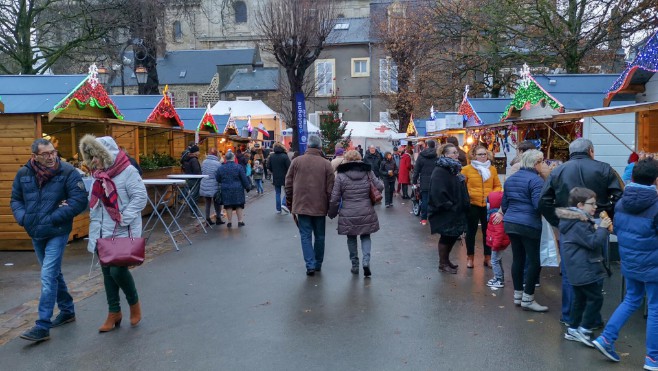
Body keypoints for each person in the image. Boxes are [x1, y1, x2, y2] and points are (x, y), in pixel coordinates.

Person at [539, 138, 624, 325]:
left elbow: (543, 200)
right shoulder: (604, 168)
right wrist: (608, 216)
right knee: (595, 267)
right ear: (591, 151)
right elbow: (619, 195)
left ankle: (570, 316)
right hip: (596, 220)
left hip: (568, 221)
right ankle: (590, 318)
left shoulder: (558, 171)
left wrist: (557, 220)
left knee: (571, 270)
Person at [11, 139, 88, 342]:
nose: (51, 156)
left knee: (47, 275)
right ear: (35, 156)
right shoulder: (24, 174)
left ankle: (42, 325)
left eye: (53, 152)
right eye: (45, 154)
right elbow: (16, 199)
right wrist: (23, 218)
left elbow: (79, 200)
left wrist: (55, 217)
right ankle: (67, 310)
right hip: (35, 230)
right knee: (53, 273)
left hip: (58, 230)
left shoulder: (67, 172)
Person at [592, 158, 658, 370]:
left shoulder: (621, 202)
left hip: (630, 260)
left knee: (632, 299)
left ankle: (607, 338)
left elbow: (618, 230)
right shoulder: (655, 204)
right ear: (655, 180)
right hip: (654, 263)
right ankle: (653, 358)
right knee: (655, 308)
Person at [79, 135, 147, 332]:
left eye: (95, 157)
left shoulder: (127, 171)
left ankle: (134, 305)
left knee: (117, 270)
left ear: (106, 155)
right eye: (90, 157)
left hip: (122, 228)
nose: (92, 161)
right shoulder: (98, 176)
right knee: (107, 271)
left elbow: (140, 197)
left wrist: (123, 217)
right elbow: (96, 204)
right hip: (102, 229)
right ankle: (114, 312)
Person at [556, 187, 611, 347]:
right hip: (583, 267)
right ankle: (584, 329)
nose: (595, 207)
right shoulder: (578, 222)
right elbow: (592, 242)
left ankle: (573, 329)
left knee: (580, 299)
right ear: (580, 205)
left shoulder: (575, 219)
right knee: (595, 298)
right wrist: (602, 229)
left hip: (576, 267)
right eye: (592, 204)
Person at [501, 149, 547, 311]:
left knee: (518, 259)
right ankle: (528, 298)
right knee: (534, 260)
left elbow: (504, 205)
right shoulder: (536, 181)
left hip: (511, 222)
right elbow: (537, 205)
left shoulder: (511, 179)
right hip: (529, 224)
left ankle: (518, 295)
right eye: (542, 162)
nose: (544, 165)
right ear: (536, 163)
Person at [328, 150, 384, 277]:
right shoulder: (368, 172)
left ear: (346, 159)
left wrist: (332, 213)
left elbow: (335, 197)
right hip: (366, 209)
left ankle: (355, 265)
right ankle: (366, 261)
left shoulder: (341, 175)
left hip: (348, 212)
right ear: (359, 159)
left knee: (351, 237)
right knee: (365, 236)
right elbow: (380, 186)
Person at [285, 135, 335, 276]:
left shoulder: (296, 161)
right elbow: (330, 187)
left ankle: (310, 265)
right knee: (320, 236)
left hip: (301, 204)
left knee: (305, 235)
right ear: (320, 147)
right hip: (320, 205)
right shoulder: (326, 164)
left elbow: (288, 183)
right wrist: (330, 205)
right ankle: (318, 263)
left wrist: (290, 199)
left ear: (308, 146)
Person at [428, 143, 470, 274]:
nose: (456, 155)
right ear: (445, 154)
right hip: (445, 211)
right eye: (453, 152)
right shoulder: (440, 170)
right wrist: (449, 205)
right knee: (446, 237)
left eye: (456, 152)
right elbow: (437, 191)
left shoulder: (454, 169)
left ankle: (446, 261)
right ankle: (442, 263)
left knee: (452, 236)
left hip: (456, 210)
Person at [462, 145, 502, 268]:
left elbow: (497, 185)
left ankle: (487, 257)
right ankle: (470, 257)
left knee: (488, 232)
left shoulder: (492, 169)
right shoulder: (466, 169)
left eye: (484, 154)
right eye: (480, 154)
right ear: (474, 155)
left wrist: (493, 195)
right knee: (471, 232)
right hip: (472, 204)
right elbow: (462, 186)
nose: (483, 156)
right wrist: (468, 196)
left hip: (488, 205)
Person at [215, 151, 251, 228]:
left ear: (225, 159)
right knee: (239, 205)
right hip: (237, 188)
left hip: (226, 188)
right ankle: (240, 221)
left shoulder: (221, 168)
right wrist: (247, 186)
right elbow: (244, 178)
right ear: (233, 158)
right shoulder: (238, 167)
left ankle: (229, 222)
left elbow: (217, 178)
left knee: (228, 206)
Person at [486, 191, 509, 288]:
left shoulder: (495, 217)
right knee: (498, 260)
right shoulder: (498, 215)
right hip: (498, 243)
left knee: (494, 260)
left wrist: (495, 245)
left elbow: (499, 233)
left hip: (497, 244)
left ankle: (499, 279)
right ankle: (499, 277)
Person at [413, 140, 438, 225]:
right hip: (436, 181)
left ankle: (424, 219)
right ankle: (434, 218)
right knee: (435, 200)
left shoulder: (421, 155)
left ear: (426, 145)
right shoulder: (438, 155)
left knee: (425, 200)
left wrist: (414, 181)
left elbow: (416, 170)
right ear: (434, 146)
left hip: (425, 181)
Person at [200, 148, 225, 225]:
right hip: (214, 184)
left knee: (207, 202)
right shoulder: (217, 163)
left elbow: (202, 171)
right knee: (217, 202)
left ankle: (207, 219)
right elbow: (220, 174)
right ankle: (218, 218)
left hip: (204, 184)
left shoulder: (204, 162)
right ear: (216, 154)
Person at [267, 142, 291, 214]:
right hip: (285, 176)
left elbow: (268, 166)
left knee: (278, 193)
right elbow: (289, 167)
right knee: (287, 192)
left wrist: (273, 172)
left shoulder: (272, 156)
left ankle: (278, 209)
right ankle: (284, 204)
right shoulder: (284, 156)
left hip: (276, 176)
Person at [181, 143, 202, 213]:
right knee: (194, 196)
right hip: (194, 180)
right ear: (195, 152)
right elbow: (196, 170)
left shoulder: (187, 159)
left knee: (191, 195)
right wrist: (200, 174)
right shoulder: (194, 160)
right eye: (198, 151)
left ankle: (192, 211)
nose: (199, 153)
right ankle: (194, 212)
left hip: (189, 179)